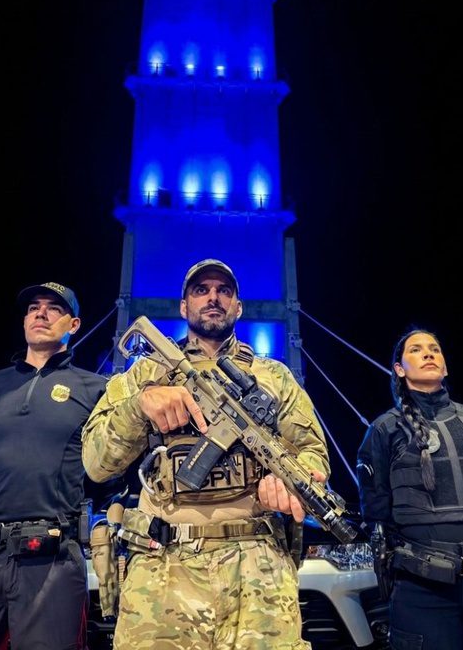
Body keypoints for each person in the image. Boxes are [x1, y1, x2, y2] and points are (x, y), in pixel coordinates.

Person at [82, 258, 330, 650]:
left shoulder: (275, 376)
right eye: (201, 290)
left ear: (238, 307)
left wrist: (289, 482)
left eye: (224, 291)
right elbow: (96, 465)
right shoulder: (144, 374)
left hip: (259, 572)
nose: (213, 297)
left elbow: (313, 454)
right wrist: (139, 406)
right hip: (162, 569)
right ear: (184, 307)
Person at [0, 281, 108, 650]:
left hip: (52, 556)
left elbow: (109, 469)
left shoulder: (97, 389)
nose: (40, 314)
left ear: (74, 325)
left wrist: (62, 497)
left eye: (53, 308)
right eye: (33, 308)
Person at [356, 327, 463, 650]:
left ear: (445, 367)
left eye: (435, 349)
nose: (428, 354)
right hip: (423, 591)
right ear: (399, 369)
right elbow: (376, 509)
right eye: (416, 350)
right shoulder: (385, 430)